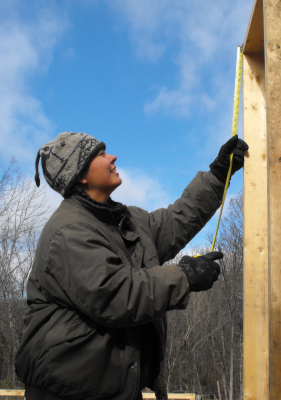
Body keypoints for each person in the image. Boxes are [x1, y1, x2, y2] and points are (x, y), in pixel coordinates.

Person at [15, 132, 248, 400]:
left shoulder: (125, 221)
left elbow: (175, 220)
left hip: (116, 390)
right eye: (101, 155)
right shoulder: (68, 232)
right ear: (80, 174)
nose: (112, 157)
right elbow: (117, 294)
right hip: (68, 393)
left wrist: (218, 175)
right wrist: (186, 276)